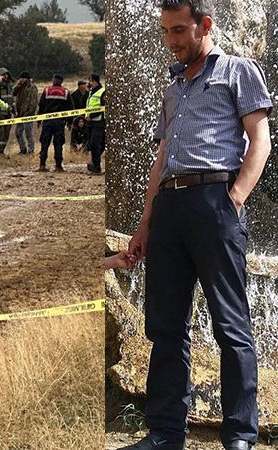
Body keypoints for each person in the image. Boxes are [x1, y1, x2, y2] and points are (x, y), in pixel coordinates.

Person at [122, 1, 273, 450]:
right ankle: (166, 433)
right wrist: (145, 223)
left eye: (179, 30)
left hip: (214, 201)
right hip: (169, 207)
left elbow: (261, 142)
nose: (170, 41)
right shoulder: (173, 89)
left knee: (231, 326)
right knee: (165, 327)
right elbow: (161, 159)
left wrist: (234, 200)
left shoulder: (238, 71)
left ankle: (240, 435)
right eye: (165, 31)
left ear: (205, 25)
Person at [37, 74, 73, 172]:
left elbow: (41, 106)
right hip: (59, 122)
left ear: (53, 80)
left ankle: (42, 165)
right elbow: (70, 108)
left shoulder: (46, 90)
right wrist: (69, 122)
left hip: (47, 121)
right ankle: (58, 166)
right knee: (58, 143)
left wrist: (39, 120)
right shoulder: (65, 92)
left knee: (45, 143)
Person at [12, 71, 39, 155]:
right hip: (19, 113)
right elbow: (13, 93)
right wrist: (18, 85)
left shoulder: (32, 87)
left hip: (28, 114)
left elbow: (34, 102)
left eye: (23, 78)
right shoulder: (19, 87)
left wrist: (30, 112)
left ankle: (31, 150)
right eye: (21, 78)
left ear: (27, 79)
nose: (22, 80)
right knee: (18, 132)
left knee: (28, 132)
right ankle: (23, 149)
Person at [85, 73, 106, 174]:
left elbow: (103, 108)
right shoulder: (90, 92)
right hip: (90, 122)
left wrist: (91, 115)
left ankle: (97, 167)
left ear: (96, 81)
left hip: (98, 122)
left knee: (95, 144)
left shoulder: (102, 92)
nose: (90, 83)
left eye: (91, 81)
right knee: (91, 144)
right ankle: (94, 164)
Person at [0, 67, 15, 158]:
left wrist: (14, 110)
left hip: (8, 113)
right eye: (3, 74)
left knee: (6, 134)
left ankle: (2, 151)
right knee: (0, 133)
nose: (5, 76)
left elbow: (12, 99)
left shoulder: (10, 85)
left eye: (6, 74)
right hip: (0, 113)